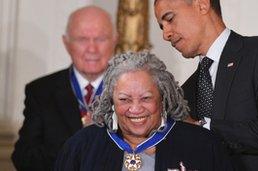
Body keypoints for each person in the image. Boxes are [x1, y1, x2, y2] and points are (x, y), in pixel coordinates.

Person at [154, 0, 258, 170]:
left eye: (170, 18)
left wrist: (201, 128)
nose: (165, 34)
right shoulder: (184, 93)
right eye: (161, 26)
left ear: (202, 5)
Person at [54, 51, 233, 171]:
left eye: (146, 98)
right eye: (124, 99)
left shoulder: (203, 145)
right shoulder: (81, 147)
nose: (135, 108)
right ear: (111, 101)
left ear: (163, 97)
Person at [12, 5, 118, 171]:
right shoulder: (41, 91)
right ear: (66, 43)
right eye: (82, 39)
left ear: (114, 40)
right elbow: (24, 158)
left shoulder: (133, 89)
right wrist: (78, 141)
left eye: (101, 39)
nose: (92, 49)